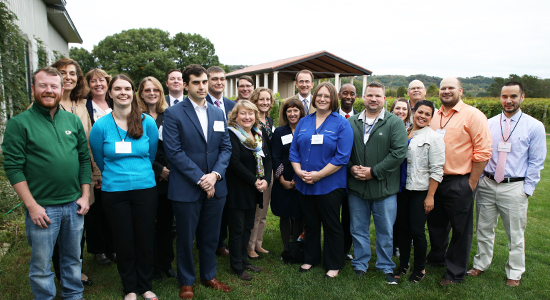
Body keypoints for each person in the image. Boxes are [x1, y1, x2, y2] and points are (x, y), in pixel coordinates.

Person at [3, 66, 91, 300]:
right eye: (43, 86)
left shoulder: (72, 121)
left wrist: (84, 195)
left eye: (54, 86)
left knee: (73, 258)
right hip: (43, 208)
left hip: (74, 205)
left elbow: (84, 159)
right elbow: (13, 168)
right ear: (33, 89)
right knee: (42, 265)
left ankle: (73, 294)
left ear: (62, 90)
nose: (49, 91)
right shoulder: (19, 124)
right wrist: (32, 206)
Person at [162, 64, 232, 299]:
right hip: (186, 187)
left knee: (211, 236)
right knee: (185, 236)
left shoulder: (218, 112)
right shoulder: (173, 113)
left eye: (204, 81)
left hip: (216, 186)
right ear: (185, 85)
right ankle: (186, 281)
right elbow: (174, 152)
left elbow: (225, 148)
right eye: (196, 82)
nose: (202, 86)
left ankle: (209, 275)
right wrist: (201, 179)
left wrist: (215, 176)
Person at [467, 82, 546, 287]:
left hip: (514, 186)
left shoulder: (534, 126)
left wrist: (527, 190)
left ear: (522, 97)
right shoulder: (489, 123)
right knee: (484, 229)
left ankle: (515, 272)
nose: (508, 101)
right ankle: (481, 264)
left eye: (513, 96)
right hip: (488, 183)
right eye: (504, 96)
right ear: (500, 98)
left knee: (515, 234)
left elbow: (536, 162)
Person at [89, 74, 159, 300]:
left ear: (133, 93)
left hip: (145, 189)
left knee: (145, 238)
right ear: (110, 93)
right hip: (115, 191)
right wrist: (117, 175)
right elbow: (100, 158)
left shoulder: (146, 121)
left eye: (127, 88)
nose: (123, 92)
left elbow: (152, 154)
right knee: (124, 240)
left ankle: (145, 286)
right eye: (117, 89)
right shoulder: (100, 127)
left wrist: (137, 173)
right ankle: (130, 288)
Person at [427, 77, 492, 286]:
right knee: (436, 224)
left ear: (460, 90)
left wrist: (471, 183)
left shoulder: (473, 115)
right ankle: (437, 258)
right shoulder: (435, 116)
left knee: (460, 229)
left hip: (460, 180)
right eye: (443, 88)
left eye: (451, 88)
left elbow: (483, 152)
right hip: (435, 180)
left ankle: (454, 272)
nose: (446, 91)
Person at [289, 82, 353, 278]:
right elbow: (294, 151)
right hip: (304, 184)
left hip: (329, 185)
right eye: (319, 96)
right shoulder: (304, 121)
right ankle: (310, 258)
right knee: (310, 223)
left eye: (326, 96)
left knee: (332, 225)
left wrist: (318, 175)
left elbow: (342, 157)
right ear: (314, 98)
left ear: (333, 99)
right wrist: (299, 173)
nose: (322, 99)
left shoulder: (342, 123)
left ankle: (334, 264)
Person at [347, 81, 408, 284]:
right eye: (370, 95)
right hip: (357, 188)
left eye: (378, 96)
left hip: (384, 189)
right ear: (363, 97)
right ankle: (360, 263)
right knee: (358, 229)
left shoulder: (394, 123)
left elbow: (398, 153)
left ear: (384, 99)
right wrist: (350, 167)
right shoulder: (352, 122)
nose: (373, 99)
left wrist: (374, 172)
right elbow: (343, 151)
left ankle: (385, 265)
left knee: (385, 231)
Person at [51, 58, 95, 286]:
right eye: (62, 72)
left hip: (82, 175)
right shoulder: (44, 105)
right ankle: (63, 272)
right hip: (56, 178)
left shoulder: (81, 105)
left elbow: (89, 143)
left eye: (72, 73)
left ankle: (74, 267)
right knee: (57, 229)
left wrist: (94, 174)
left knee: (79, 224)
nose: (68, 77)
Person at [395, 100, 445, 283]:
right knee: (402, 229)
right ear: (413, 112)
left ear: (431, 118)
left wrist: (430, 196)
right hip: (403, 189)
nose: (422, 116)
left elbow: (437, 170)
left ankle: (420, 269)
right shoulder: (404, 133)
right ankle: (403, 264)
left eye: (427, 114)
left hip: (420, 190)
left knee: (417, 230)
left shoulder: (434, 138)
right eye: (420, 112)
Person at [225, 100, 272, 280]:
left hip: (255, 189)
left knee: (247, 227)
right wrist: (255, 180)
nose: (247, 117)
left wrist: (266, 180)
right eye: (243, 113)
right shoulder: (231, 134)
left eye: (251, 113)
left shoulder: (258, 135)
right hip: (238, 189)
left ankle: (243, 260)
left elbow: (268, 159)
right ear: (235, 116)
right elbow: (234, 163)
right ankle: (236, 266)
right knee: (237, 229)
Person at [136, 76, 177, 281]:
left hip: (169, 179)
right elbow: (137, 150)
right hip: (147, 178)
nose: (152, 93)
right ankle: (150, 266)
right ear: (141, 93)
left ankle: (166, 263)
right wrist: (159, 169)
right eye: (147, 90)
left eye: (156, 90)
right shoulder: (135, 117)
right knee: (146, 226)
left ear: (161, 93)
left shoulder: (168, 115)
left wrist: (168, 170)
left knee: (166, 225)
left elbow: (176, 144)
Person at [84, 68, 116, 266]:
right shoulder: (85, 106)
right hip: (95, 164)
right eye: (93, 81)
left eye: (102, 80)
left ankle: (113, 246)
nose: (98, 84)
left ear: (107, 83)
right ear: (88, 84)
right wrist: (97, 171)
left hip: (115, 163)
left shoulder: (114, 102)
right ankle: (98, 250)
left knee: (111, 208)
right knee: (95, 210)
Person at [205, 66, 236, 257]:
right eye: (215, 79)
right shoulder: (200, 104)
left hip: (231, 163)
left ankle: (220, 242)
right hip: (209, 164)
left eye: (222, 79)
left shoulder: (231, 105)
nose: (219, 82)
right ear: (207, 81)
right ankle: (206, 242)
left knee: (225, 205)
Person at [271, 98, 306, 258]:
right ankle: (286, 248)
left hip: (302, 178)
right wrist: (282, 180)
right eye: (289, 110)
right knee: (285, 214)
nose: (292, 114)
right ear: (285, 113)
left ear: (301, 112)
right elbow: (275, 157)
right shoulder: (279, 132)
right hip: (284, 179)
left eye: (295, 110)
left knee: (299, 214)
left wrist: (299, 178)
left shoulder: (308, 130)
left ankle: (297, 247)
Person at [247, 87, 275, 259]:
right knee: (255, 211)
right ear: (255, 101)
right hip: (255, 171)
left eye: (267, 100)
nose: (265, 103)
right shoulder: (252, 121)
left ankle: (259, 243)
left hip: (268, 170)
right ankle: (249, 246)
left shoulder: (270, 121)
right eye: (261, 99)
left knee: (264, 211)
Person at [389, 97, 413, 258]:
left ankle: (399, 244)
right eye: (398, 108)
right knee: (390, 214)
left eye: (404, 109)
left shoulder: (413, 129)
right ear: (392, 110)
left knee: (403, 214)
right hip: (390, 175)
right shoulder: (387, 126)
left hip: (406, 176)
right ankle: (389, 244)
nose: (401, 111)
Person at [337, 83, 358, 260]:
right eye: (345, 93)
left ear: (356, 97)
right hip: (333, 175)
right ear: (339, 95)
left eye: (352, 94)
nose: (348, 96)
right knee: (332, 215)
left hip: (353, 176)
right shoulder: (329, 116)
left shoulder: (360, 119)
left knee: (349, 216)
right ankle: (333, 247)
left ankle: (345, 249)